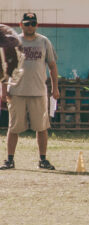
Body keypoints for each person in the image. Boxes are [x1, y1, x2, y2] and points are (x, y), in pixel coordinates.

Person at [1, 13, 59, 170]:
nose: (30, 26)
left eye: (33, 23)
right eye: (27, 24)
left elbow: (52, 66)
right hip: (17, 92)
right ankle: (9, 160)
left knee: (42, 128)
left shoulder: (44, 41)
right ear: (21, 25)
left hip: (38, 92)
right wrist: (4, 91)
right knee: (13, 128)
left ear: (37, 25)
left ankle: (43, 160)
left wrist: (55, 88)